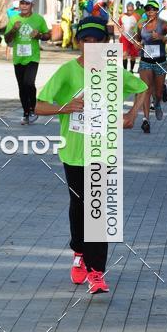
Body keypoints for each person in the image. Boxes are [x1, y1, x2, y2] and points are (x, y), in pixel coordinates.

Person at [35, 17, 147, 295]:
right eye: (86, 40)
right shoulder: (67, 72)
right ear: (79, 42)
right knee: (79, 206)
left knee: (99, 210)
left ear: (105, 43)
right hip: (73, 152)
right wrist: (64, 106)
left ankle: (97, 272)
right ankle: (79, 252)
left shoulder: (112, 71)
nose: (92, 45)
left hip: (104, 151)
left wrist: (131, 115)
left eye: (98, 40)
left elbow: (142, 88)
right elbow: (37, 106)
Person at [3, 0, 50, 123]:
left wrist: (39, 35)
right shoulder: (14, 19)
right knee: (22, 86)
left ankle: (33, 108)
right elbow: (7, 40)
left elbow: (48, 35)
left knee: (29, 83)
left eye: (26, 3)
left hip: (32, 57)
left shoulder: (38, 19)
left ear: (32, 5)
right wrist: (13, 30)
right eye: (22, 3)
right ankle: (26, 112)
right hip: (18, 57)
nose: (23, 6)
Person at [137, 0, 167, 132]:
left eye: (153, 9)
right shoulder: (141, 25)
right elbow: (138, 39)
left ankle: (157, 102)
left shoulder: (164, 24)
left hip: (159, 61)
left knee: (158, 92)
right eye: (148, 9)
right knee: (146, 89)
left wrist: (162, 37)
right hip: (145, 61)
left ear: (157, 10)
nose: (150, 11)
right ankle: (146, 120)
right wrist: (137, 44)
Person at [119, 2, 140, 72]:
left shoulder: (137, 16)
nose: (129, 12)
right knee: (124, 54)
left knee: (133, 56)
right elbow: (119, 26)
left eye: (131, 10)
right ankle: (125, 70)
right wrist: (120, 31)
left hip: (134, 37)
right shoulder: (122, 16)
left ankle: (131, 70)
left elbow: (140, 27)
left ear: (133, 9)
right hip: (125, 37)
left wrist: (138, 37)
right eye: (128, 10)